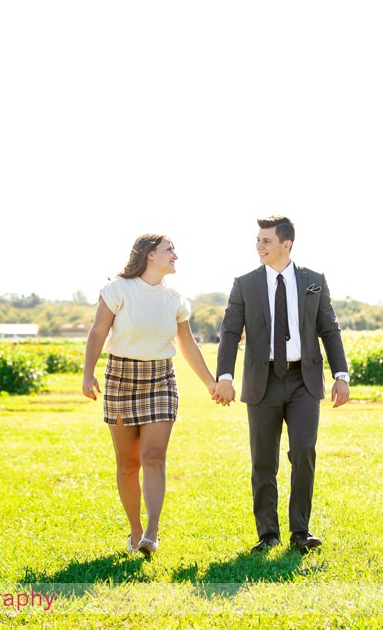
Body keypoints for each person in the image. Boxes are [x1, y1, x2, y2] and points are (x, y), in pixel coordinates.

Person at [214, 216, 351, 553]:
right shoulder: (245, 284)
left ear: (286, 244)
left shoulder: (313, 281)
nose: (259, 246)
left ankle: (300, 532)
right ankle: (268, 534)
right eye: (258, 240)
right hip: (262, 381)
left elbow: (329, 330)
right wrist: (225, 377)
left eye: (266, 241)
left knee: (303, 451)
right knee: (263, 460)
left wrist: (341, 375)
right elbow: (230, 332)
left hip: (303, 380)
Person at [83, 234, 218, 557]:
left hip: (161, 380)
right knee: (128, 463)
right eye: (169, 250)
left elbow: (188, 346)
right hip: (121, 378)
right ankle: (135, 530)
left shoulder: (175, 299)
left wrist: (210, 383)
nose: (175, 255)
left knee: (153, 457)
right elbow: (98, 331)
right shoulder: (117, 290)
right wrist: (88, 373)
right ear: (149, 255)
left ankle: (152, 533)